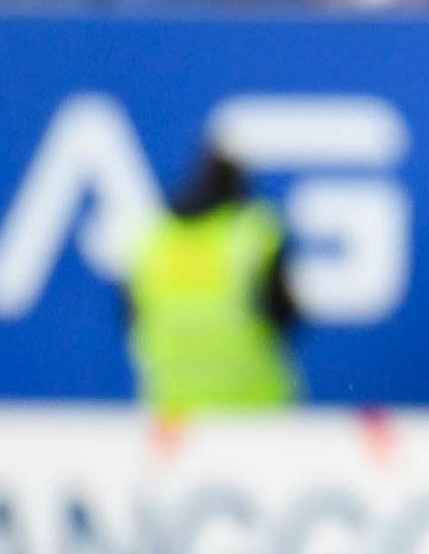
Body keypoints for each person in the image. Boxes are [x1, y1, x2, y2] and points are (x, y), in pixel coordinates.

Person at [124, 148, 300, 415]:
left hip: (174, 410)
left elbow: (129, 317)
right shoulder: (252, 233)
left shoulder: (155, 239)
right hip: (253, 410)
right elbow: (284, 314)